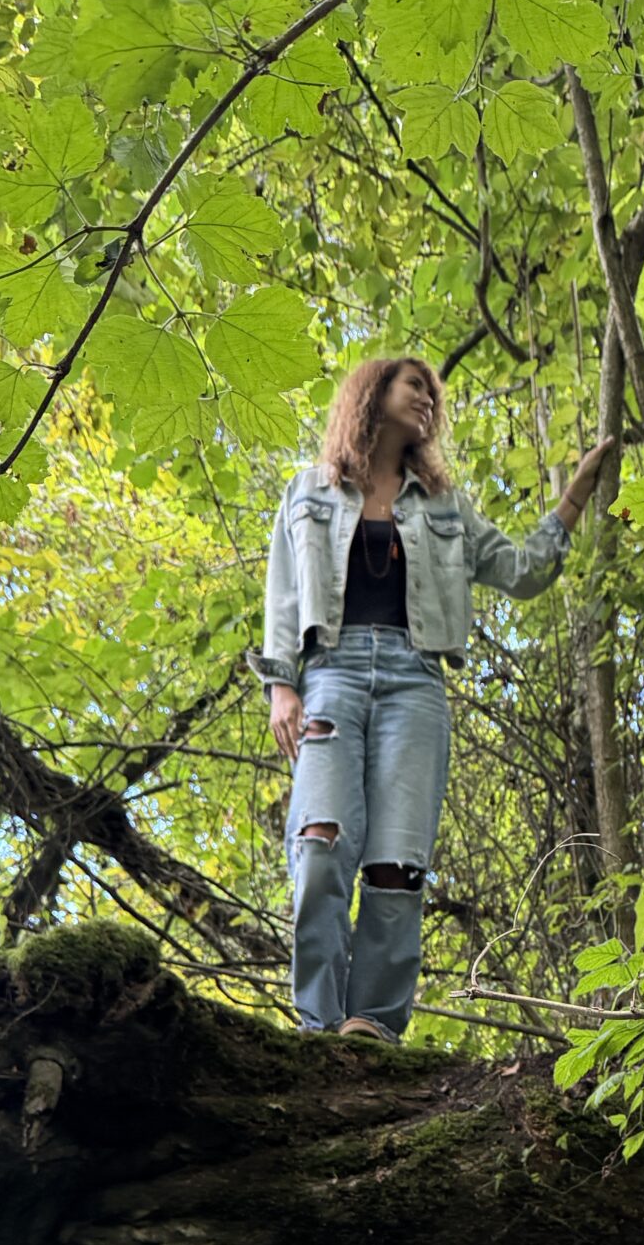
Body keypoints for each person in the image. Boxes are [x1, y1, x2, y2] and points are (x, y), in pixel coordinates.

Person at [251, 355, 613, 1041]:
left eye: (432, 393)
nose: (426, 399)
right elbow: (282, 593)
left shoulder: (443, 506)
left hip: (416, 683)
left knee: (396, 864)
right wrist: (280, 686)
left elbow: (522, 570)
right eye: (413, 385)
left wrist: (576, 496)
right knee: (321, 843)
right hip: (331, 672)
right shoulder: (308, 491)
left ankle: (373, 1029)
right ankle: (317, 1027)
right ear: (373, 392)